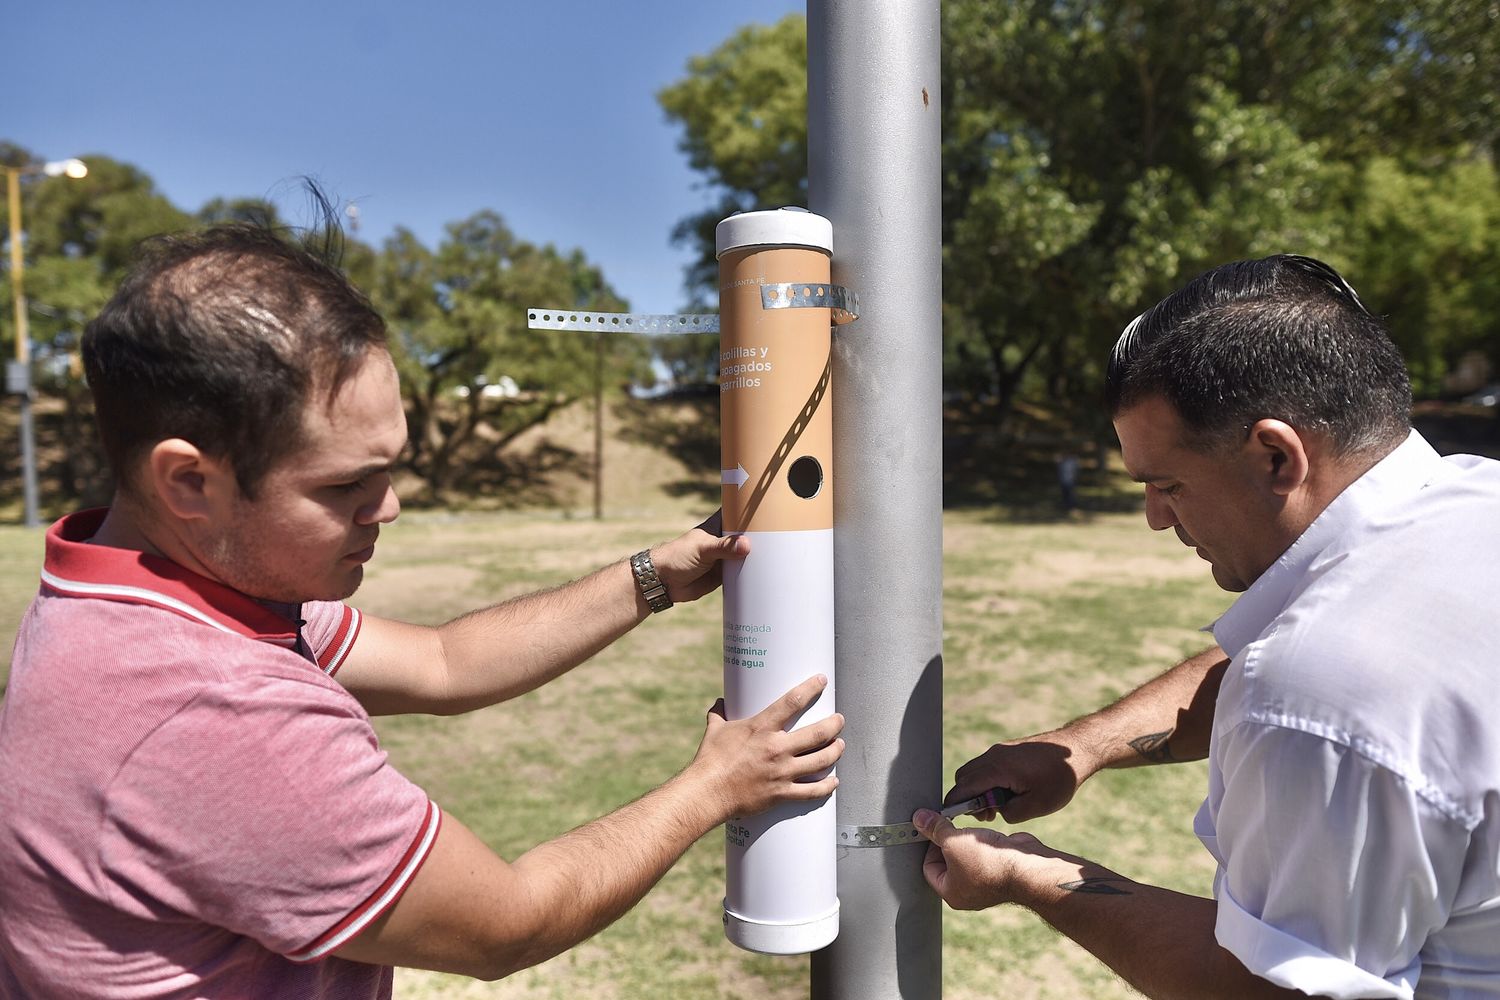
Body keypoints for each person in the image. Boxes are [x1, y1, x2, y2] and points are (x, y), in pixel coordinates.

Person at [0, 221, 845, 998]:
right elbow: (505, 925)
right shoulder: (205, 710)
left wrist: (650, 576)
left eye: (389, 467)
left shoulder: (144, 592)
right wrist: (713, 786)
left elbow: (444, 664)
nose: (389, 506)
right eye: (345, 485)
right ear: (189, 481)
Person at [915, 255, 1500, 999]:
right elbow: (1280, 661)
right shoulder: (1474, 501)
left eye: (1167, 484)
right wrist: (1081, 747)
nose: (1156, 517)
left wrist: (1031, 875)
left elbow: (1261, 990)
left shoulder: (1324, 689)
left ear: (1275, 456)